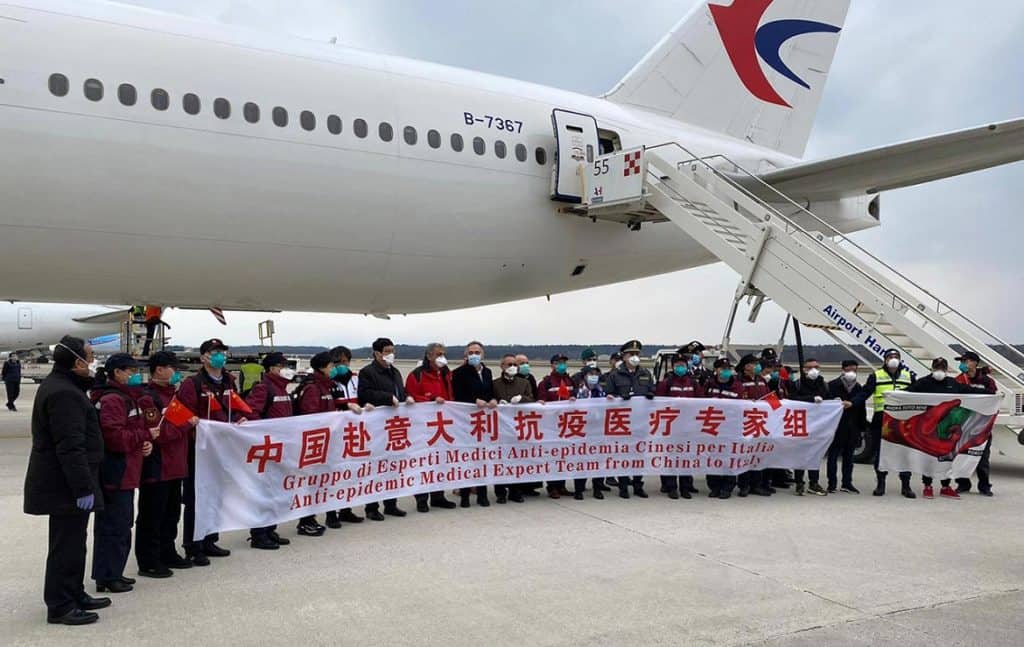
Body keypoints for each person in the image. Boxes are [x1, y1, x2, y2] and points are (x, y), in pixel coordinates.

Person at [24, 336, 110, 625]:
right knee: (65, 545)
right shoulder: (64, 394)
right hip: (66, 485)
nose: (93, 361)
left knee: (75, 542)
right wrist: (83, 488)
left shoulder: (66, 386)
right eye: (90, 356)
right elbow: (70, 446)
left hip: (69, 482)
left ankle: (74, 592)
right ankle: (60, 605)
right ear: (76, 362)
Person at [90, 353, 160, 591]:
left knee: (121, 524)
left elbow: (130, 433)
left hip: (127, 471)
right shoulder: (113, 399)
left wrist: (143, 443)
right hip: (116, 472)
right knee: (114, 526)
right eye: (131, 371)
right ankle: (108, 576)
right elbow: (115, 438)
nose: (135, 375)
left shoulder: (129, 397)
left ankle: (113, 572)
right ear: (117, 373)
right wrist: (145, 435)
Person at [178, 338, 243, 565]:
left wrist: (240, 419)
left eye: (222, 352)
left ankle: (209, 539)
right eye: (215, 352)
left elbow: (236, 406)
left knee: (216, 494)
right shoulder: (193, 384)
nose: (220, 356)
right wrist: (193, 426)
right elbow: (182, 413)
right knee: (197, 497)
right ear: (203, 357)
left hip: (222, 447)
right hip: (200, 449)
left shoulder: (229, 381)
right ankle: (193, 545)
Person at [136, 351, 194, 575]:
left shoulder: (173, 396)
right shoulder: (148, 398)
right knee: (152, 516)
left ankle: (167, 552)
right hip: (158, 467)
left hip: (176, 466)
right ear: (159, 369)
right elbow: (159, 433)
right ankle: (149, 561)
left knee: (171, 514)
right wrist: (185, 425)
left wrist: (184, 424)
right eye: (173, 368)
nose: (176, 373)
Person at [244, 352, 297, 548]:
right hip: (268, 447)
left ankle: (270, 529)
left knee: (275, 491)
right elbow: (252, 413)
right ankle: (258, 534)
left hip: (281, 446)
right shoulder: (263, 388)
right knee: (264, 492)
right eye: (282, 366)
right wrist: (266, 432)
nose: (286, 369)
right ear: (272, 368)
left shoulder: (282, 388)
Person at [358, 338, 411, 520]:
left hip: (394, 426)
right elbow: (364, 394)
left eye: (392, 351)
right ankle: (371, 507)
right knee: (376, 467)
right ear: (377, 353)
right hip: (377, 426)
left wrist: (406, 397)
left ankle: (391, 504)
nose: (391, 354)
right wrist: (387, 398)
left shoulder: (394, 371)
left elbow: (400, 392)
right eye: (387, 351)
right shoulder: (367, 372)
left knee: (393, 466)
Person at [290, 352, 341, 535]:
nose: (333, 369)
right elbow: (310, 416)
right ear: (322, 367)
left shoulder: (324, 386)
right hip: (314, 443)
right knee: (310, 482)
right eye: (331, 366)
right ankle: (305, 521)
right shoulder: (312, 388)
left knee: (319, 482)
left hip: (323, 441)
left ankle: (311, 518)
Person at [907, 358, 971, 499]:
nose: (939, 371)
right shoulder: (924, 382)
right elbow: (908, 392)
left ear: (946, 370)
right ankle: (927, 485)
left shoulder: (952, 383)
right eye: (937, 368)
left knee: (946, 457)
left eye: (942, 368)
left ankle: (945, 486)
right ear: (932, 368)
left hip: (947, 425)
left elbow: (970, 391)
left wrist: (991, 393)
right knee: (928, 457)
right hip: (929, 426)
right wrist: (893, 394)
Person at [405, 343, 458, 512]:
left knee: (440, 461)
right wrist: (431, 399)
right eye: (438, 354)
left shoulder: (447, 374)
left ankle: (438, 496)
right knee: (423, 461)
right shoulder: (417, 375)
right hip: (423, 425)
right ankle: (421, 498)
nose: (442, 357)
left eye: (443, 354)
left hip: (443, 425)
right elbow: (410, 396)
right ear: (429, 356)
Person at [323, 345, 368, 527]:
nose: (342, 365)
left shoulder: (356, 379)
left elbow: (363, 398)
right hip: (335, 433)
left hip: (354, 433)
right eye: (337, 362)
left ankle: (346, 509)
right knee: (332, 474)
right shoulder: (328, 382)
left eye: (345, 361)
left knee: (349, 472)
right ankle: (331, 513)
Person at [605, 340, 655, 499]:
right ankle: (623, 485)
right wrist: (619, 398)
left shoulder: (646, 374)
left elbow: (652, 390)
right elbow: (608, 396)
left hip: (640, 421)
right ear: (624, 357)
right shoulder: (615, 375)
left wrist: (651, 395)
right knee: (624, 454)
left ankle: (638, 485)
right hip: (623, 422)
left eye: (637, 354)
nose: (635, 357)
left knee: (639, 453)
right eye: (631, 354)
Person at [451, 341, 497, 507]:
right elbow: (458, 395)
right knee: (466, 458)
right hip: (466, 420)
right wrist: (473, 400)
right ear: (465, 355)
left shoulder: (487, 372)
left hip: (482, 421)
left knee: (482, 457)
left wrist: (493, 399)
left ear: (483, 354)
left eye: (477, 352)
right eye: (470, 352)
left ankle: (482, 494)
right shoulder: (459, 373)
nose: (474, 355)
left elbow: (490, 391)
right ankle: (464, 495)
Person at [865, 349, 916, 499]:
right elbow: (865, 393)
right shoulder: (876, 375)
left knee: (904, 453)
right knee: (881, 453)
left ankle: (906, 485)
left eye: (896, 357)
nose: (893, 359)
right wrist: (852, 402)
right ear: (885, 359)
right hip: (882, 419)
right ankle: (881, 484)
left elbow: (919, 394)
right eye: (890, 357)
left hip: (902, 420)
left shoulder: (909, 376)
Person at [655, 353, 703, 499]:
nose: (680, 367)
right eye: (677, 365)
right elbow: (659, 403)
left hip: (688, 425)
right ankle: (671, 487)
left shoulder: (693, 383)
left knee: (686, 457)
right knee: (671, 457)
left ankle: (685, 487)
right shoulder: (666, 383)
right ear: (673, 367)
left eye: (682, 365)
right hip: (671, 426)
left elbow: (701, 401)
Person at [954, 350, 998, 496]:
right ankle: (963, 484)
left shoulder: (987, 381)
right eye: (961, 361)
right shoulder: (959, 380)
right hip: (964, 425)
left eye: (965, 361)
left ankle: (984, 486)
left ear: (974, 363)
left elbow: (994, 399)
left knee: (982, 457)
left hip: (982, 425)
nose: (962, 364)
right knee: (961, 455)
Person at [493, 353, 534, 503]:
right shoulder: (495, 383)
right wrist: (497, 401)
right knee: (500, 459)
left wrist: (521, 399)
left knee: (517, 459)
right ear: (502, 366)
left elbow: (532, 398)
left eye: (515, 365)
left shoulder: (524, 383)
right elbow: (490, 398)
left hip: (518, 426)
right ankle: (500, 492)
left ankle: (515, 491)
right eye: (509, 364)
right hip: (501, 427)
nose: (512, 367)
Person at [536, 352, 576, 499]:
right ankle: (552, 486)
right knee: (553, 456)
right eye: (558, 362)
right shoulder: (546, 382)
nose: (561, 365)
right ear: (552, 365)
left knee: (565, 455)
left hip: (567, 424)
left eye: (563, 362)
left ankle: (562, 485)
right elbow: (541, 400)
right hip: (551, 425)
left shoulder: (570, 380)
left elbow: (576, 396)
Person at [826, 360, 868, 494]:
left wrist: (862, 428)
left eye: (854, 370)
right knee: (833, 456)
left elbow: (862, 408)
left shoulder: (858, 387)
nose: (852, 373)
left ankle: (847, 483)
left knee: (849, 457)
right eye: (849, 370)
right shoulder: (832, 385)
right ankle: (832, 484)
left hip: (853, 427)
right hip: (837, 427)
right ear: (843, 370)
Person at [703, 357, 742, 499]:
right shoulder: (709, 384)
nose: (725, 371)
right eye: (722, 368)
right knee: (712, 457)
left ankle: (727, 487)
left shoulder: (737, 386)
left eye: (728, 368)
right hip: (712, 427)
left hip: (730, 428)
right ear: (716, 370)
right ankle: (714, 486)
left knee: (728, 457)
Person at [790, 358, 828, 496]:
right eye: (810, 367)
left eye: (816, 367)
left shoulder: (823, 384)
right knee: (800, 454)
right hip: (802, 423)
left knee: (815, 454)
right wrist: (811, 399)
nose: (814, 370)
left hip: (818, 424)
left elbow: (828, 399)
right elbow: (792, 399)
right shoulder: (797, 384)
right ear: (804, 369)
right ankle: (799, 482)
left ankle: (814, 482)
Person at [736, 354, 772, 497]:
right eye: (754, 364)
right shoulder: (739, 380)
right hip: (745, 422)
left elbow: (769, 397)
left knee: (758, 453)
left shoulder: (761, 380)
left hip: (760, 422)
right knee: (745, 454)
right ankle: (744, 485)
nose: (757, 366)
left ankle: (756, 485)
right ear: (746, 366)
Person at [573, 365, 609, 500]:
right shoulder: (578, 391)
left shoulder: (601, 391)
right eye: (590, 374)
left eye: (596, 374)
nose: (594, 377)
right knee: (581, 460)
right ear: (584, 376)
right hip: (582, 430)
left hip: (598, 430)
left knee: (598, 459)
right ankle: (579, 489)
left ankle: (597, 488)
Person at [514, 354, 543, 495]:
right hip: (516, 420)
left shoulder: (530, 378)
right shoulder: (514, 378)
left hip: (530, 419)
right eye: (521, 363)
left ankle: (530, 486)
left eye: (526, 362)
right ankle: (518, 487)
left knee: (531, 454)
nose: (525, 365)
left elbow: (534, 396)